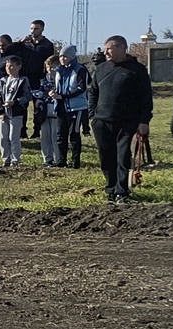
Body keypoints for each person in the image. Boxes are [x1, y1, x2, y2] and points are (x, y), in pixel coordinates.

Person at [88, 35, 153, 203]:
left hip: (127, 121)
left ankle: (121, 191)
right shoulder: (101, 69)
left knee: (123, 156)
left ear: (122, 48)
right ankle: (111, 189)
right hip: (102, 121)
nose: (106, 52)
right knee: (106, 157)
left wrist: (144, 121)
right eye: (105, 48)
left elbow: (146, 97)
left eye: (110, 48)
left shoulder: (137, 69)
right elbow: (92, 93)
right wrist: (92, 115)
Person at [51, 45, 90, 169]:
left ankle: (75, 161)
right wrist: (53, 92)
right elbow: (57, 86)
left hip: (76, 107)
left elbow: (81, 88)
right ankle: (61, 160)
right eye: (61, 56)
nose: (62, 58)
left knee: (74, 133)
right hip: (61, 107)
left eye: (65, 56)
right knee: (60, 134)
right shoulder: (58, 70)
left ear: (72, 57)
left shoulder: (80, 69)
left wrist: (63, 96)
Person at [0, 55, 30, 168]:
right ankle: (6, 159)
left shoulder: (23, 80)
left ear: (19, 67)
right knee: (2, 137)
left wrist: (16, 102)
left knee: (13, 137)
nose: (8, 68)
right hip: (3, 113)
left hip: (16, 113)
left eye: (11, 66)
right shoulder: (3, 81)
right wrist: (0, 111)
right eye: (7, 66)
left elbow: (28, 95)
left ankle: (15, 160)